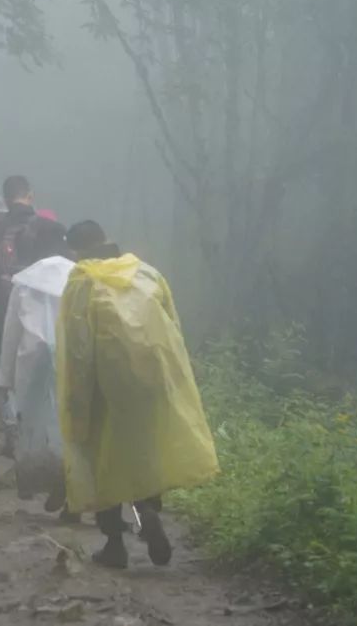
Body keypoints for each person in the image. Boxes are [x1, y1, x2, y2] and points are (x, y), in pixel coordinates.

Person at [56, 220, 219, 569]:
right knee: (142, 451)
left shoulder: (83, 281)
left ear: (76, 250)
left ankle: (115, 544)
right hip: (154, 376)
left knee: (104, 458)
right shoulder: (146, 272)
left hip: (108, 382)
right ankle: (147, 513)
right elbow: (172, 327)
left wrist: (77, 400)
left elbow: (79, 348)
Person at [0, 218, 78, 521]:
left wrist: (4, 375)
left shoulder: (25, 282)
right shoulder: (79, 276)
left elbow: (11, 332)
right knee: (74, 430)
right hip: (74, 362)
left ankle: (53, 482)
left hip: (34, 367)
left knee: (43, 429)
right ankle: (72, 493)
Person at [0, 176, 37, 445]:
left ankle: (10, 422)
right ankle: (36, 421)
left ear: (4, 198)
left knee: (3, 359)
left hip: (3, 305)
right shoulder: (47, 227)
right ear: (30, 195)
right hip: (39, 308)